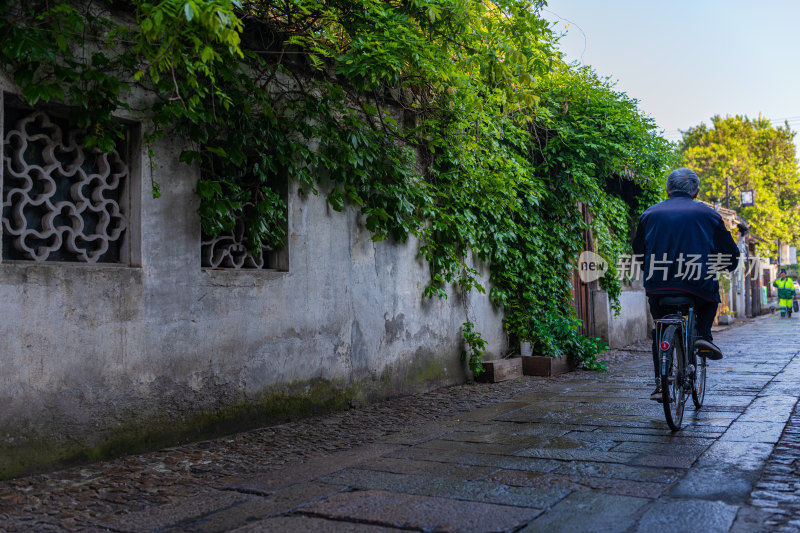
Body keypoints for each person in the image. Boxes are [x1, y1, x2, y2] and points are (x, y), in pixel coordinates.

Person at [632, 168, 741, 401]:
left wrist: (651, 270)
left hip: (659, 286)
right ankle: (703, 336)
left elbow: (639, 251)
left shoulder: (649, 214)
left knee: (660, 326)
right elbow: (730, 252)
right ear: (696, 191)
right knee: (710, 300)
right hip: (698, 285)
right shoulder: (709, 215)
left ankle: (661, 385)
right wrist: (726, 266)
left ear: (667, 190)